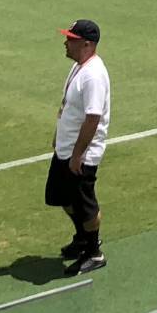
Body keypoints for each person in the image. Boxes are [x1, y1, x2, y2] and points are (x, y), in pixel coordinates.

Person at [48, 18, 109, 275]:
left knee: (86, 205)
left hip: (80, 154)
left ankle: (94, 252)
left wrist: (78, 154)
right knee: (61, 197)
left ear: (86, 44)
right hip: (67, 148)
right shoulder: (80, 67)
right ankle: (83, 237)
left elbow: (93, 118)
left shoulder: (93, 75)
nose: (65, 42)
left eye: (70, 39)